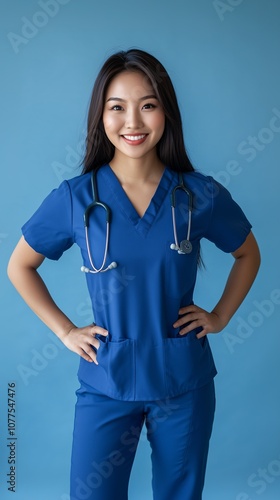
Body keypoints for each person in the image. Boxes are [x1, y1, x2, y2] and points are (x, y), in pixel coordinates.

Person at [7, 49, 260, 500]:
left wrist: (219, 317)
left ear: (166, 111)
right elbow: (20, 266)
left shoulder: (198, 194)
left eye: (147, 104)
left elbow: (247, 254)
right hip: (106, 378)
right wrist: (66, 331)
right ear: (101, 116)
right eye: (117, 107)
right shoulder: (76, 198)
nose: (133, 122)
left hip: (183, 381)